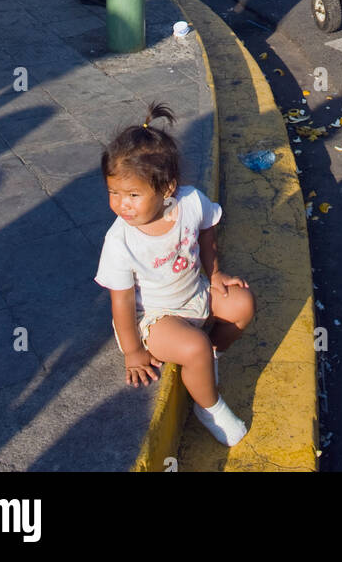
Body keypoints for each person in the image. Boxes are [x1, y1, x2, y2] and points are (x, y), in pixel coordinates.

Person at [95, 103, 255, 446]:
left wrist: (215, 276)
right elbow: (121, 303)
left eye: (134, 195)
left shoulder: (191, 203)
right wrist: (133, 351)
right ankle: (209, 407)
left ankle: (212, 357)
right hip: (153, 317)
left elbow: (207, 231)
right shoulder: (120, 241)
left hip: (195, 292)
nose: (123, 204)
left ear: (167, 189)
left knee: (242, 304)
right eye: (114, 193)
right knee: (193, 345)